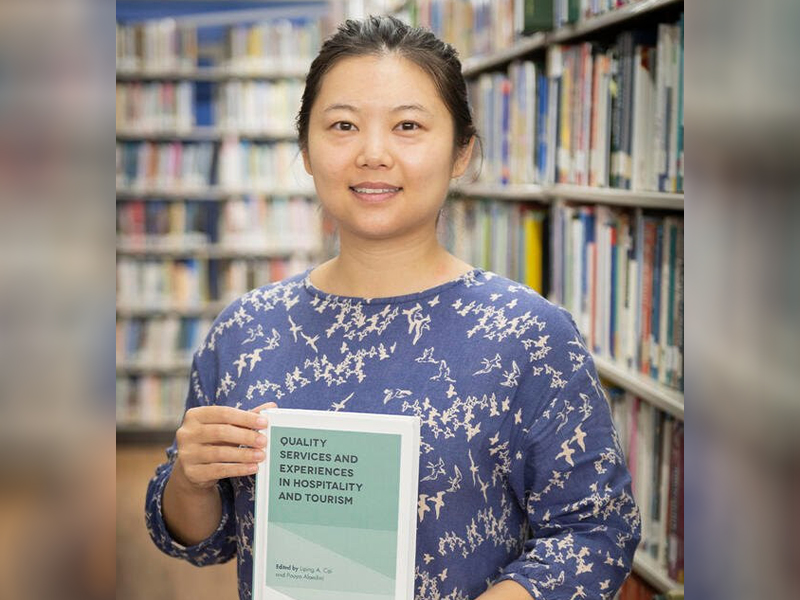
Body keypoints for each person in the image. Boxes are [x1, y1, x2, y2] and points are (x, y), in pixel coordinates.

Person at [145, 15, 640, 600]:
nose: (373, 153)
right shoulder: (246, 330)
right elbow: (200, 541)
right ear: (306, 149)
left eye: (408, 125)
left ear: (461, 152)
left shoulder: (527, 334)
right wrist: (192, 479)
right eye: (343, 125)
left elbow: (595, 532)